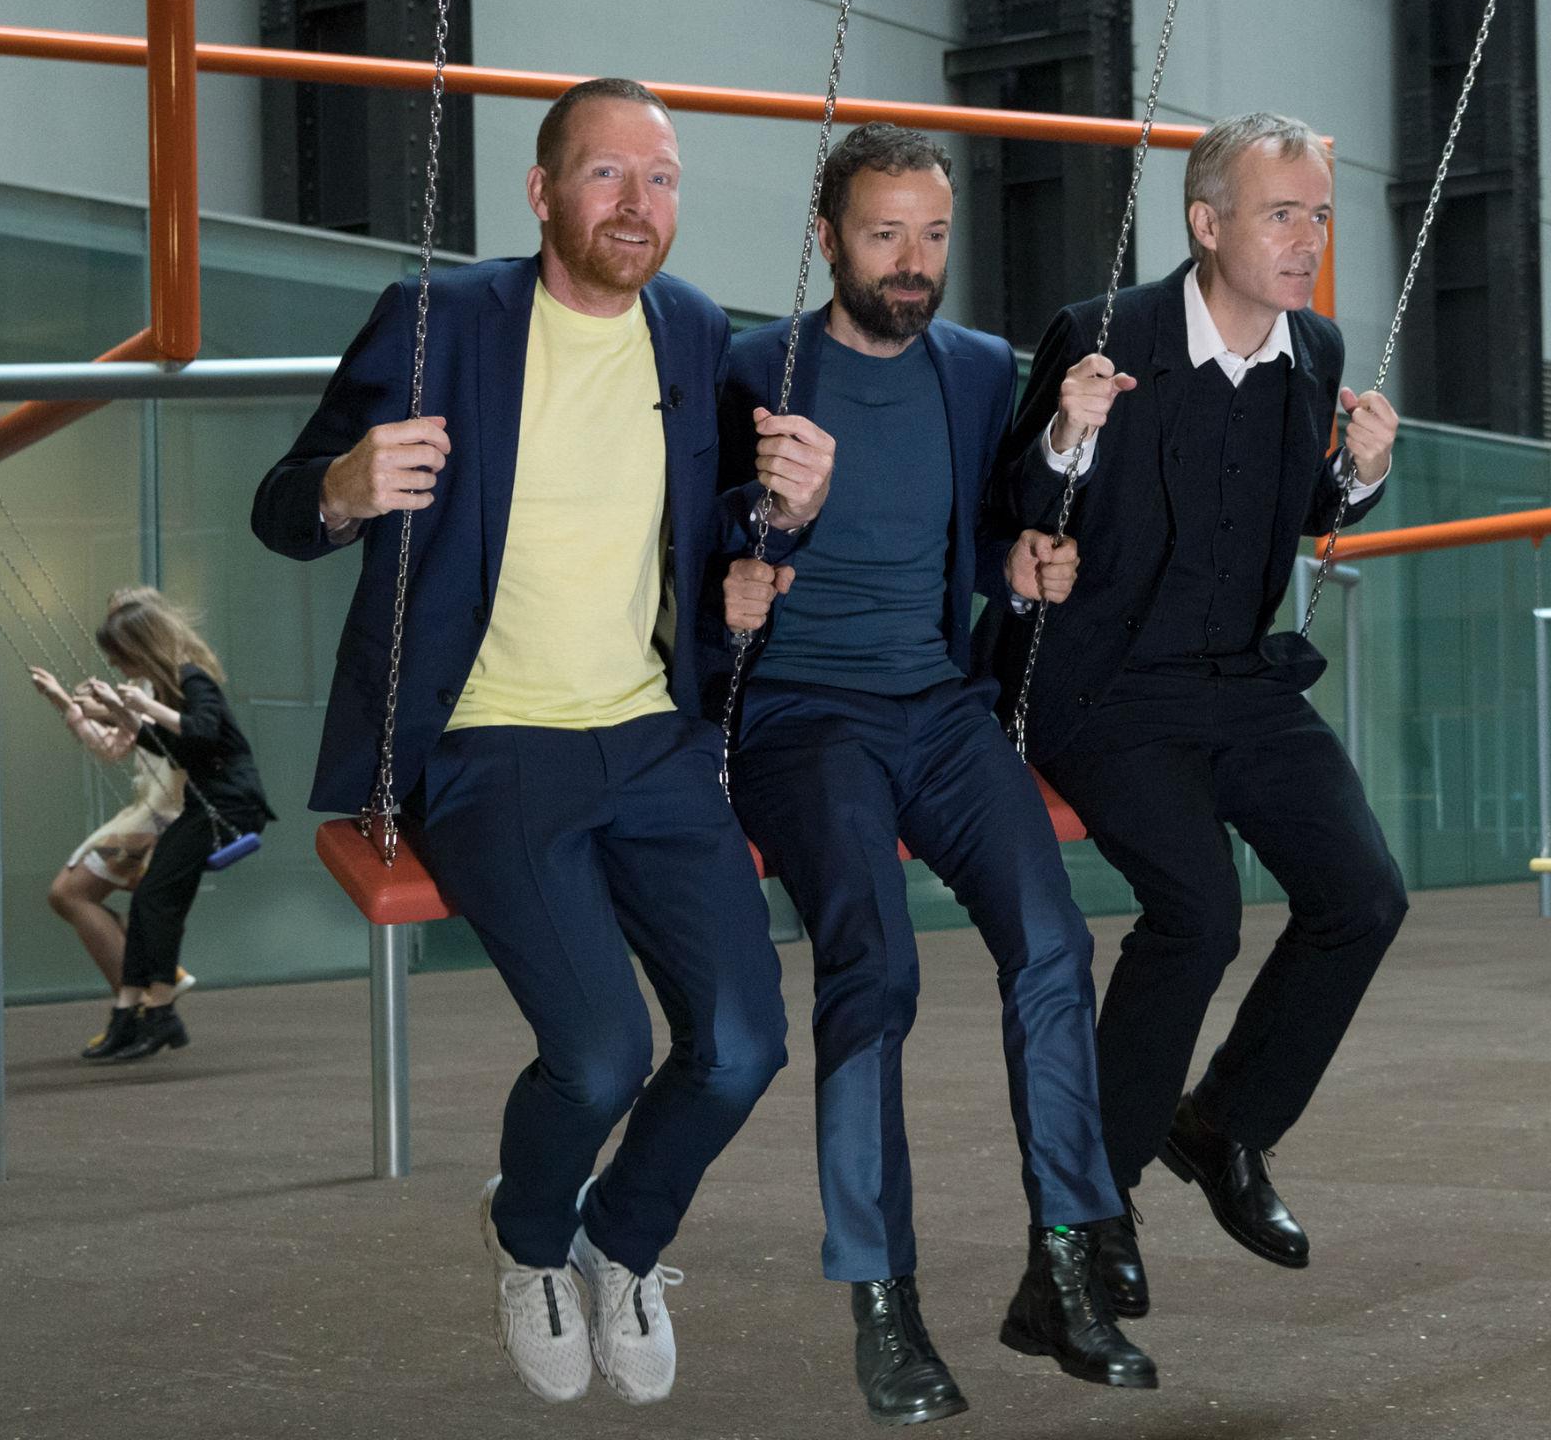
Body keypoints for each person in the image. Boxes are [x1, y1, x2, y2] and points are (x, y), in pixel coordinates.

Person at [250, 79, 835, 1407]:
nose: (640, 206)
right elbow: (285, 507)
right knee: (600, 1054)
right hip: (487, 745)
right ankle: (529, 1243)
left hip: (651, 737)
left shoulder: (692, 331)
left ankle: (620, 1244)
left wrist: (781, 518)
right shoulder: (439, 322)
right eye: (608, 177)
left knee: (743, 1045)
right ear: (541, 194)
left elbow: (717, 527)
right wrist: (342, 492)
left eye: (664, 179)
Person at [715, 123, 1155, 1427]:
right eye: (884, 234)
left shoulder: (973, 368)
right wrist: (765, 524)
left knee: (1054, 946)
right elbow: (697, 558)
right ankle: (884, 1301)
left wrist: (1019, 566)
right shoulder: (752, 368)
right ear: (828, 236)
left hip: (943, 706)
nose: (915, 264)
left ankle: (1069, 1263)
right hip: (802, 719)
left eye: (935, 234)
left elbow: (979, 535)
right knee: (876, 968)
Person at [981, 112, 1407, 1312]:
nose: (1307, 239)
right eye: (1282, 214)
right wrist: (1069, 433)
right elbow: (1014, 502)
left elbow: (1301, 498)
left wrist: (1362, 475)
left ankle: (1220, 1124)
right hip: (1106, 687)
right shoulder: (1100, 332)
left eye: (1319, 214)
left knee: (1362, 897)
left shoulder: (1312, 349)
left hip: (1240, 681)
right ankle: (1088, 1205)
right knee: (1197, 915)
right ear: (1205, 223)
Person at [75, 587, 273, 1064]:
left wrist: (141, 709)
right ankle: (131, 1010)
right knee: (149, 897)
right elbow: (169, 745)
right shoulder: (170, 687)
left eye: (121, 657)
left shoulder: (193, 679)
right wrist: (125, 709)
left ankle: (159, 1011)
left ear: (142, 648)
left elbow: (201, 729)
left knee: (157, 897)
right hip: (207, 804)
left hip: (229, 805)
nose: (119, 666)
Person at [26, 590, 194, 1055]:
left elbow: (175, 730)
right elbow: (113, 747)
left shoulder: (178, 680)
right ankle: (146, 1003)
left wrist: (98, 705)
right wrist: (69, 702)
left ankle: (144, 1008)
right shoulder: (145, 685)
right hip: (152, 808)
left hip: (168, 812)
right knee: (84, 896)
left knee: (71, 892)